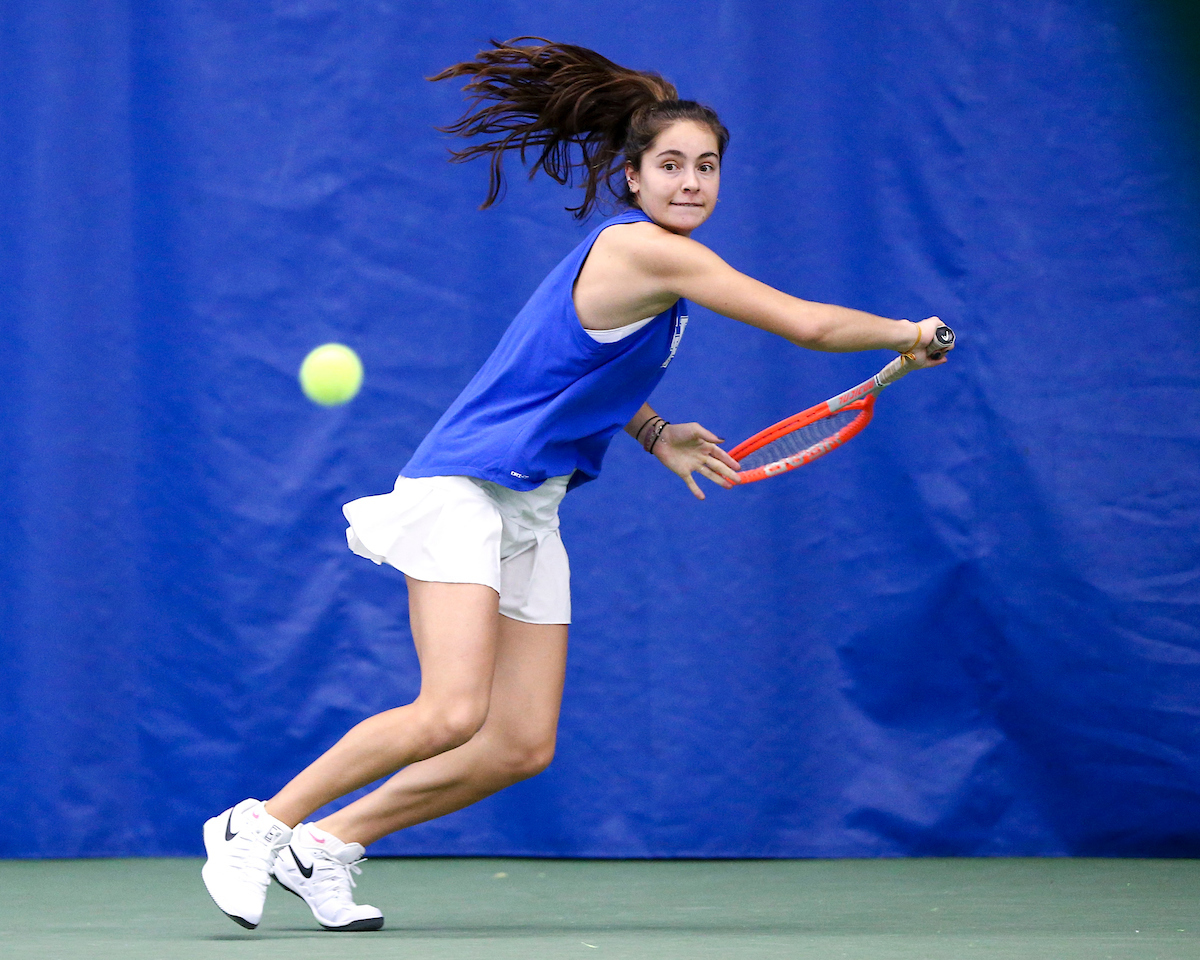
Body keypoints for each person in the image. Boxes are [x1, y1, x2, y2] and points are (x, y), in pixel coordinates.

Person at [200, 38, 951, 933]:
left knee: (519, 744)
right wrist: (907, 330)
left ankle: (327, 844)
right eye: (670, 165)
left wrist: (656, 432)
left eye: (707, 167)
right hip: (464, 488)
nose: (690, 183)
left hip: (530, 503)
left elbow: (571, 373)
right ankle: (257, 825)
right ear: (631, 178)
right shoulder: (651, 254)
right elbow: (806, 323)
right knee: (449, 710)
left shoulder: (649, 274)